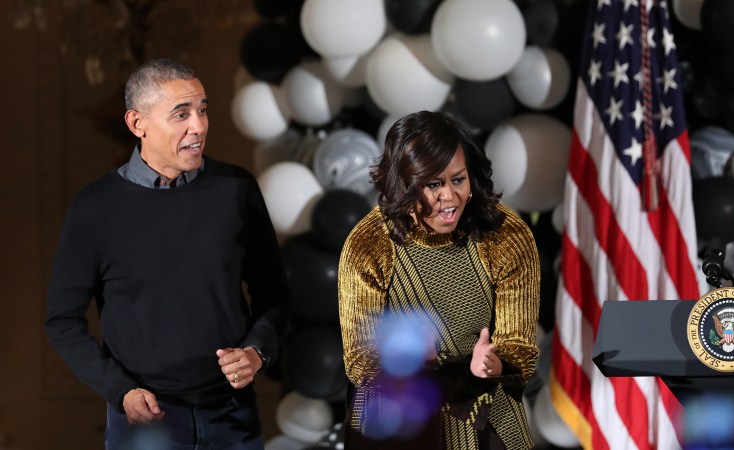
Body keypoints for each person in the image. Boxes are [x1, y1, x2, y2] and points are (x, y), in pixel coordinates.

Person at [45, 59, 291, 450]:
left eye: (203, 109)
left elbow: (274, 294)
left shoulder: (235, 190)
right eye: (182, 114)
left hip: (233, 416)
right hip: (144, 420)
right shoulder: (95, 209)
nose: (200, 126)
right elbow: (61, 320)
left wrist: (257, 351)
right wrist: (120, 391)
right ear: (137, 124)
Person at [337, 110, 541, 449]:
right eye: (433, 185)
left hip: (483, 412)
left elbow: (520, 349)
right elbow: (359, 359)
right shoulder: (369, 243)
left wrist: (494, 362)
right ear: (404, 185)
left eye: (458, 180)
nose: (449, 197)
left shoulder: (506, 235)